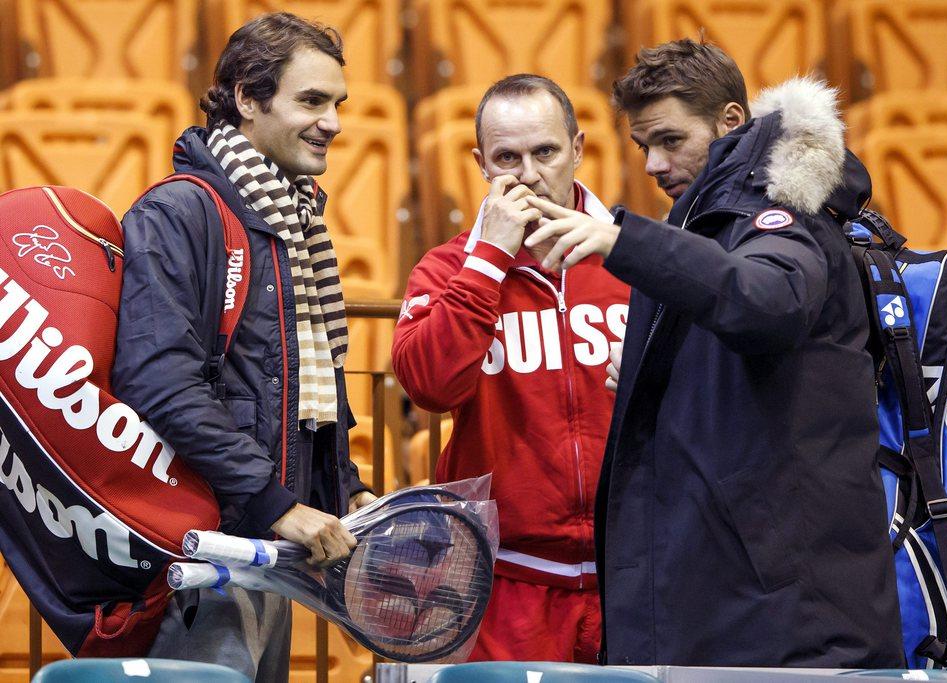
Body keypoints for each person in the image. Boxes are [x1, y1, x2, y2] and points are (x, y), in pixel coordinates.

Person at [524, 40, 905, 667]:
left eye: (671, 140)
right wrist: (664, 380)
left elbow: (772, 299)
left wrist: (622, 241)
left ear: (731, 122)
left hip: (785, 619)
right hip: (739, 601)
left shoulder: (783, 212)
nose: (652, 163)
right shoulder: (709, 218)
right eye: (644, 145)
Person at [112, 13, 374, 681]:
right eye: (311, 101)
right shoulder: (179, 211)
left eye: (337, 103)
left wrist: (344, 491)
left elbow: (294, 389)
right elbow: (159, 381)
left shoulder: (290, 219)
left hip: (260, 550)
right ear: (248, 100)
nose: (333, 123)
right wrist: (277, 502)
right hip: (192, 565)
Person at [391, 74, 629, 663]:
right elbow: (426, 384)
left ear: (577, 149)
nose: (527, 174)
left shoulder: (636, 258)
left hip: (631, 573)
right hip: (504, 583)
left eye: (545, 152)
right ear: (480, 163)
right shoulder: (447, 268)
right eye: (506, 158)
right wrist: (489, 260)